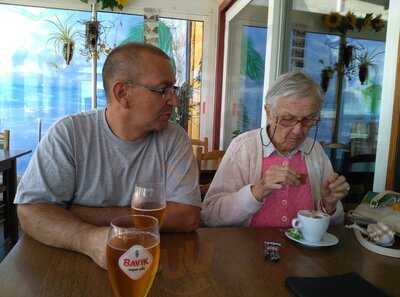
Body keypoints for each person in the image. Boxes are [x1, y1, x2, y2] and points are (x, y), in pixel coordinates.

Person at [15, 42, 201, 269]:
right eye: (163, 90)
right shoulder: (70, 134)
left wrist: (78, 213)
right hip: (69, 265)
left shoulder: (174, 138)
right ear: (122, 93)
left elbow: (187, 216)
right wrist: (89, 239)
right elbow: (30, 211)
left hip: (153, 265)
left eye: (174, 89)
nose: (173, 100)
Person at [202, 71, 350, 227]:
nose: (298, 130)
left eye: (308, 120)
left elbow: (336, 223)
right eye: (287, 119)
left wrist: (330, 205)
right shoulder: (244, 147)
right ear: (268, 113)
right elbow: (210, 215)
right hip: (249, 249)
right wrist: (257, 190)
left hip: (302, 251)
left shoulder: (315, 152)